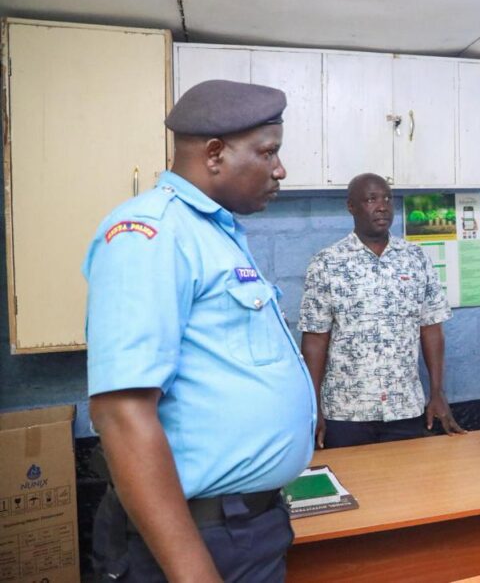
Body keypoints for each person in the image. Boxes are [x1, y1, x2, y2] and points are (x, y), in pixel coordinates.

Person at [84, 79, 316, 582]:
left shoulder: (214, 233)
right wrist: (195, 573)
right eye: (268, 152)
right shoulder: (149, 234)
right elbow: (122, 412)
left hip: (244, 528)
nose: (280, 169)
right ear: (214, 154)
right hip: (194, 540)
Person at [298, 173, 464, 449]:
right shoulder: (327, 263)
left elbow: (431, 327)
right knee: (352, 489)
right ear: (351, 206)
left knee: (404, 490)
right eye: (371, 199)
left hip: (405, 409)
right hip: (345, 411)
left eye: (387, 198)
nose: (383, 206)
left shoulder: (416, 258)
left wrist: (436, 392)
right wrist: (313, 406)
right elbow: (315, 339)